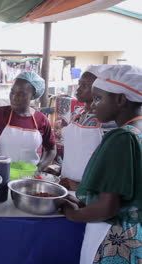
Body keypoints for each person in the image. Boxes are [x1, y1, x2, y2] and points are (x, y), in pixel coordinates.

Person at [61, 65, 142, 264]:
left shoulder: (121, 137)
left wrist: (73, 214)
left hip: (112, 239)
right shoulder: (137, 132)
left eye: (98, 98)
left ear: (121, 99)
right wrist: (85, 203)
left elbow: (108, 207)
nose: (94, 104)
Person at [59, 65, 116, 190]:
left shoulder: (107, 122)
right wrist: (59, 169)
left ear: (99, 89)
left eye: (84, 86)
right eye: (79, 84)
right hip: (65, 184)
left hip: (89, 191)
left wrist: (79, 186)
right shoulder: (77, 114)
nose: (78, 90)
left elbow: (110, 166)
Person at [0, 71, 56, 171]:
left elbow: (51, 149)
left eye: (21, 94)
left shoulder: (41, 120)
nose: (14, 97)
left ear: (33, 95)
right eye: (12, 92)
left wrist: (39, 167)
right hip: (1, 174)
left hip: (28, 178)